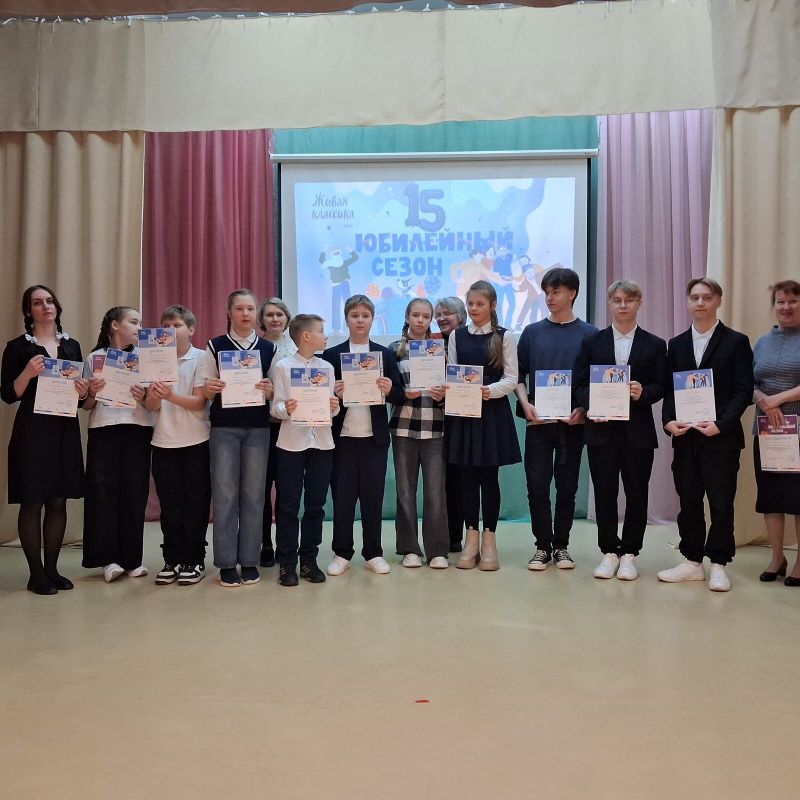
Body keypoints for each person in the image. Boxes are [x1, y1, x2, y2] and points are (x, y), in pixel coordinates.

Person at [659, 277, 753, 592]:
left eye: (707, 297)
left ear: (718, 301)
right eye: (695, 297)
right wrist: (668, 421)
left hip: (721, 438)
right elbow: (671, 389)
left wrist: (721, 424)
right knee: (688, 501)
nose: (700, 302)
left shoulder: (736, 342)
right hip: (686, 438)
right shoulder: (676, 344)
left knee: (721, 503)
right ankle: (692, 562)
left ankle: (719, 564)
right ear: (688, 302)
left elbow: (743, 391)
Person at [573, 280, 667, 580]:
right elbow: (579, 384)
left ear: (639, 303)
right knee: (604, 494)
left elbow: (662, 385)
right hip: (601, 432)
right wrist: (592, 406)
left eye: (629, 300)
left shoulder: (655, 344)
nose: (623, 305)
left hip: (638, 433)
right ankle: (609, 552)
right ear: (610, 304)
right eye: (617, 300)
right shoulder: (592, 342)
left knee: (637, 494)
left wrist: (644, 392)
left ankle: (629, 553)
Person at [1, 285, 87, 595]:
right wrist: (26, 372)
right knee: (32, 501)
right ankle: (35, 574)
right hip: (32, 432)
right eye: (37, 303)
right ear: (29, 311)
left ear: (57, 307)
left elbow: (79, 399)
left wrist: (83, 391)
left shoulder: (72, 346)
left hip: (64, 431)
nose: (45, 306)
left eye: (50, 301)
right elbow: (9, 395)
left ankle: (52, 569)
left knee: (58, 500)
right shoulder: (16, 347)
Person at [516, 266, 597, 570]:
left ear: (572, 293)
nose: (550, 297)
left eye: (556, 292)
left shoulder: (590, 334)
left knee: (567, 487)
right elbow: (518, 375)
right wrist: (525, 404)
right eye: (547, 292)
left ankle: (562, 546)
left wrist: (584, 410)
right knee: (537, 487)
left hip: (572, 425)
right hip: (538, 423)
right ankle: (542, 546)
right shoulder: (532, 332)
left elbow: (596, 381)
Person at [322, 294, 404, 576]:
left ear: (372, 319)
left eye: (365, 315)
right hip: (342, 439)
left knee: (373, 498)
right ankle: (342, 553)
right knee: (343, 498)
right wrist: (334, 391)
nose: (360, 320)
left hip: (374, 440)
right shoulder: (332, 355)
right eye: (354, 315)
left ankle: (373, 553)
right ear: (346, 319)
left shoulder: (384, 354)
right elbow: (319, 395)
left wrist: (389, 388)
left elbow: (399, 393)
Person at [200, 289, 275, 588]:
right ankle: (227, 563)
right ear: (229, 313)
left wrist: (269, 391)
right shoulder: (215, 345)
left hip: (258, 429)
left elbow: (276, 391)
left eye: (250, 309)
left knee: (254, 497)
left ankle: (250, 560)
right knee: (226, 496)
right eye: (240, 308)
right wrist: (211, 388)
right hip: (224, 429)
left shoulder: (268, 348)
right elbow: (205, 390)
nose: (246, 314)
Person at [447, 280, 521, 571]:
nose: (474, 309)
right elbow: (452, 372)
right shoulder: (457, 336)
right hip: (464, 414)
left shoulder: (504, 336)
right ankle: (471, 538)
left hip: (492, 413)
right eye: (470, 304)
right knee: (466, 478)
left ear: (492, 305)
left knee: (489, 478)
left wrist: (489, 391)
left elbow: (512, 378)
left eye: (480, 303)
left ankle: (489, 540)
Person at [81, 306, 154, 583]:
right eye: (133, 322)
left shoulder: (146, 358)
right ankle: (108, 559)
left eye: (140, 322)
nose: (139, 327)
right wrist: (92, 392)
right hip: (104, 429)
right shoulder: (95, 358)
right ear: (115, 326)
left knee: (135, 493)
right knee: (103, 494)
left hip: (138, 428)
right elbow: (87, 405)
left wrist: (143, 395)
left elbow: (151, 401)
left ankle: (132, 559)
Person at [270, 314, 340, 586]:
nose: (326, 336)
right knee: (288, 505)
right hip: (291, 444)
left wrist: (334, 406)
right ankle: (287, 564)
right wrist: (286, 409)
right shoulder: (283, 366)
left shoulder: (327, 368)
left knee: (315, 506)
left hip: (322, 443)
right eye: (321, 331)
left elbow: (331, 409)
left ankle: (309, 560)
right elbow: (276, 407)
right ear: (306, 336)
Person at [145, 305, 211, 586]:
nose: (170, 331)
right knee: (170, 506)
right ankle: (171, 559)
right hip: (163, 442)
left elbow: (199, 402)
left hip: (196, 441)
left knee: (195, 504)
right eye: (166, 326)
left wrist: (169, 395)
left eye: (177, 325)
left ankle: (194, 560)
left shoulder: (201, 357)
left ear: (191, 329)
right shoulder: (153, 358)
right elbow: (151, 405)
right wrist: (155, 395)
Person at [389, 298, 449, 569]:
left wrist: (441, 396)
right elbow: (388, 391)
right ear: (407, 317)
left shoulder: (442, 350)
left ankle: (437, 550)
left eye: (426, 316)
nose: (420, 320)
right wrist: (403, 393)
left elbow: (452, 388)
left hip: (435, 427)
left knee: (435, 492)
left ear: (431, 320)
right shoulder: (394, 350)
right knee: (405, 490)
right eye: (416, 315)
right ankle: (409, 549)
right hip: (403, 427)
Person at [751, 280, 800, 585]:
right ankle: (777, 557)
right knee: (771, 497)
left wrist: (778, 399)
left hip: (798, 432)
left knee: (798, 499)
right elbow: (749, 382)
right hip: (767, 432)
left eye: (793, 301)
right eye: (781, 302)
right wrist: (763, 402)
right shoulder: (762, 342)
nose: (786, 307)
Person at [258, 297, 297, 568]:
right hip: (262, 427)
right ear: (262, 320)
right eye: (269, 315)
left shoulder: (298, 347)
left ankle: (285, 546)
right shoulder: (255, 349)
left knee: (286, 490)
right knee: (261, 490)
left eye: (279, 314)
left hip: (289, 427)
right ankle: (264, 544)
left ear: (287, 318)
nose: (275, 319)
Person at [435, 296, 467, 553]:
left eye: (447, 313)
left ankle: (459, 536)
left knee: (460, 480)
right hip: (434, 420)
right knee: (443, 482)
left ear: (461, 317)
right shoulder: (429, 344)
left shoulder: (468, 341)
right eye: (438, 314)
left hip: (463, 419)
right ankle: (445, 536)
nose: (441, 318)